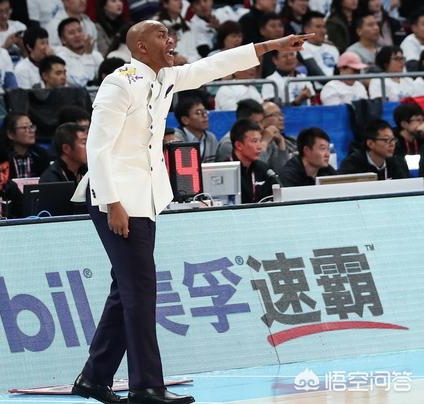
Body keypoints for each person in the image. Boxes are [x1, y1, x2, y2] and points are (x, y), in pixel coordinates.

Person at [70, 19, 311, 404]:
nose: (170, 40)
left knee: (128, 288)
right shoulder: (119, 83)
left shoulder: (165, 77)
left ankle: (94, 378)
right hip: (116, 198)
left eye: (170, 35)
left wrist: (271, 46)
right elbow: (96, 149)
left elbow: (214, 65)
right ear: (141, 46)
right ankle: (146, 387)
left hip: (146, 197)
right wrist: (112, 203)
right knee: (140, 291)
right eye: (161, 36)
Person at [338, 119, 409, 179]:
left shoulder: (398, 163)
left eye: (393, 139)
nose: (392, 144)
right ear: (370, 143)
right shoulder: (351, 165)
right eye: (386, 140)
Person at [230, 118, 276, 204]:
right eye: (254, 141)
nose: (259, 147)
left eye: (260, 140)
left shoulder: (264, 169)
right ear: (239, 145)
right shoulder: (226, 171)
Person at [0, 112, 50, 178]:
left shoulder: (41, 155)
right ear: (10, 134)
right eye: (25, 128)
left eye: (31, 127)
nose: (31, 131)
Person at [54, 17, 104, 87]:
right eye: (71, 33)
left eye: (80, 31)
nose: (77, 35)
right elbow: (81, 83)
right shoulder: (61, 59)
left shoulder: (95, 55)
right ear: (63, 40)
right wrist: (87, 56)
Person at [40, 122, 88, 186]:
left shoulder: (88, 171)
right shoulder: (50, 180)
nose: (88, 147)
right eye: (84, 143)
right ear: (66, 148)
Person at [173, 97, 218, 162]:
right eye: (198, 112)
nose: (205, 115)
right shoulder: (176, 139)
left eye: (205, 111)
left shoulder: (211, 138)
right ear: (185, 120)